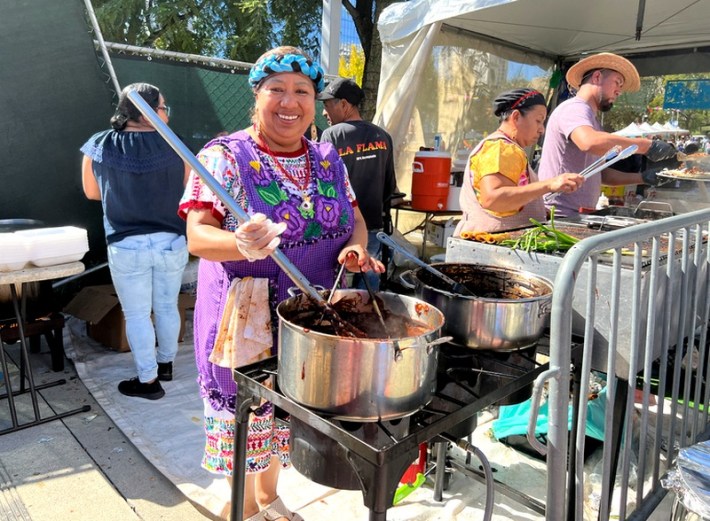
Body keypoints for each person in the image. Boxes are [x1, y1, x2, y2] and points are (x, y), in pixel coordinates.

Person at [178, 46, 383, 521]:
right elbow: (198, 235)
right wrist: (240, 242)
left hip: (309, 312)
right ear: (257, 96)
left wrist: (355, 248)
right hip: (246, 314)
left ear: (315, 101)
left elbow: (356, 220)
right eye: (277, 89)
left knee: (286, 412)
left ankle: (268, 499)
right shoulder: (225, 155)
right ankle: (243, 509)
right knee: (250, 414)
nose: (289, 102)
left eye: (302, 91)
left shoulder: (328, 157)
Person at [80, 82, 190, 400]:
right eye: (162, 106)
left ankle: (147, 381)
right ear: (148, 111)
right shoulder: (176, 145)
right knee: (167, 305)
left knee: (138, 314)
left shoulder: (98, 145)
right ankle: (165, 366)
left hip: (126, 243)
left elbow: (91, 192)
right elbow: (187, 185)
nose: (166, 112)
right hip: (171, 239)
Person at [538, 52, 679, 217]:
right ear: (597, 77)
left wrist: (644, 178)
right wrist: (647, 146)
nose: (619, 91)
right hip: (559, 213)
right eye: (617, 83)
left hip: (578, 214)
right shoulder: (574, 108)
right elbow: (589, 142)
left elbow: (601, 174)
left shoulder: (591, 120)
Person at [454, 88, 584, 236]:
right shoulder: (500, 147)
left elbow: (510, 200)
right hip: (489, 246)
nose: (541, 129)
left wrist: (537, 209)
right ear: (516, 117)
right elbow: (493, 199)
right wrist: (549, 185)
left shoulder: (510, 149)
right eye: (538, 121)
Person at [318, 77, 396, 291]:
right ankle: (369, 321)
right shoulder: (383, 136)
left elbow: (322, 184)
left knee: (335, 284)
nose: (324, 112)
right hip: (373, 224)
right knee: (369, 282)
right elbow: (390, 187)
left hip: (340, 225)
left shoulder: (331, 135)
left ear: (344, 104)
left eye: (327, 105)